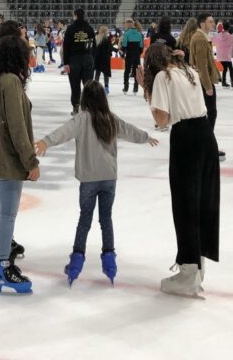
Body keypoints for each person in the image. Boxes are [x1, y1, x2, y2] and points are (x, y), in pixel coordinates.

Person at [36, 80, 157, 286]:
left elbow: (63, 131)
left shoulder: (82, 119)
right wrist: (145, 137)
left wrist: (46, 141)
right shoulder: (110, 119)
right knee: (106, 219)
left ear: (84, 99)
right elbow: (130, 131)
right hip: (109, 178)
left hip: (89, 180)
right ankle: (109, 261)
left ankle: (76, 262)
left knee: (85, 220)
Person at [139, 43, 220, 298]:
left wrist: (147, 90)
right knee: (204, 202)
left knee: (185, 203)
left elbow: (161, 120)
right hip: (206, 135)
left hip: (186, 139)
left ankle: (188, 272)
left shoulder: (164, 77)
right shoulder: (190, 71)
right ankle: (198, 268)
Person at [0, 35, 39, 294]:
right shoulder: (11, 82)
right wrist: (30, 160)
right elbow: (16, 126)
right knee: (7, 214)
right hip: (6, 157)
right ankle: (4, 265)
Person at [189, 13, 225, 161]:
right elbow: (201, 65)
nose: (213, 24)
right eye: (210, 21)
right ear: (202, 23)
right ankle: (207, 146)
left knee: (206, 115)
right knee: (211, 114)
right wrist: (208, 86)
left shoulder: (201, 37)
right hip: (205, 83)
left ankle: (203, 145)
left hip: (203, 82)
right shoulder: (200, 39)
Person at [63, 8, 96, 114]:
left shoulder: (71, 28)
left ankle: (76, 106)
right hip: (87, 58)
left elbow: (66, 46)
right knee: (88, 85)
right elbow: (93, 45)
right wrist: (92, 59)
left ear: (75, 15)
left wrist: (66, 63)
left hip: (74, 59)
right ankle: (89, 107)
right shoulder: (89, 28)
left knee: (74, 84)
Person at [119, 18, 144, 94]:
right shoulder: (139, 34)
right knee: (136, 71)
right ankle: (135, 88)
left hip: (129, 54)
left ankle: (126, 88)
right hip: (136, 55)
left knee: (127, 71)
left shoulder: (126, 33)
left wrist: (123, 53)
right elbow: (141, 47)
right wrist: (138, 53)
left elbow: (124, 45)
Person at [214, 23, 233, 89]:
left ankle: (223, 82)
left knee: (225, 68)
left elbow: (211, 40)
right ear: (228, 29)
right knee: (230, 68)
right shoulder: (230, 36)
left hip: (220, 56)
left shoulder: (218, 35)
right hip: (226, 56)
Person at [93, 25, 113, 94]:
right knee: (106, 74)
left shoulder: (96, 39)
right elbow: (110, 49)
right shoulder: (107, 39)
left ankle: (95, 87)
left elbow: (94, 50)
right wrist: (110, 55)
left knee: (97, 74)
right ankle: (106, 88)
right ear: (105, 31)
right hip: (105, 60)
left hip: (98, 59)